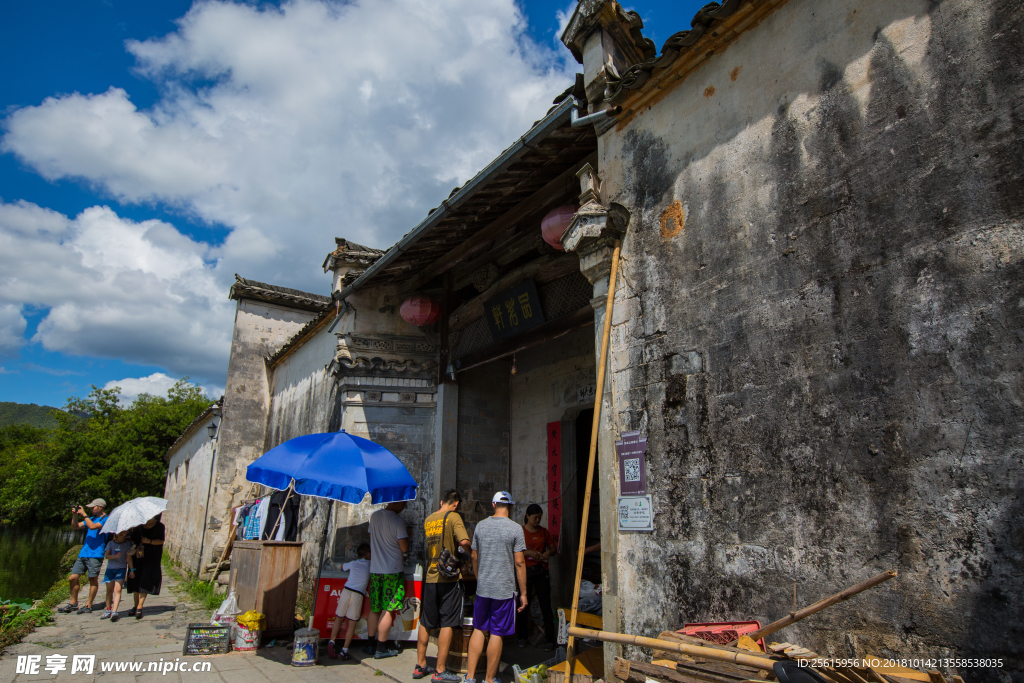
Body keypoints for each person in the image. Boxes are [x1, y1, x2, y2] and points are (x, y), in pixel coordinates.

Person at [466, 492, 527, 683]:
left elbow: (474, 557)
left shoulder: (481, 526)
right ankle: (489, 680)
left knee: (479, 629)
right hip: (504, 590)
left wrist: (479, 578)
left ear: (493, 504)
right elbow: (519, 563)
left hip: (484, 588)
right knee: (497, 633)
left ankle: (469, 678)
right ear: (510, 506)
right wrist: (524, 592)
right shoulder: (516, 529)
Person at [414, 489, 471, 682]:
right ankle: (440, 670)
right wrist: (469, 553)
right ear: (455, 504)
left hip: (431, 576)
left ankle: (420, 665)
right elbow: (463, 541)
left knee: (426, 621)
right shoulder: (454, 516)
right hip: (449, 577)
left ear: (441, 502)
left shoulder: (429, 519)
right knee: (448, 622)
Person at [366, 501, 409, 659]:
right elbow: (404, 547)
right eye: (404, 504)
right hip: (392, 571)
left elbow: (371, 538)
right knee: (388, 609)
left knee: (374, 608)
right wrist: (407, 538)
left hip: (375, 570)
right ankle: (381, 648)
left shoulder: (375, 516)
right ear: (397, 503)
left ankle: (370, 644)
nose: (404, 507)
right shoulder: (397, 520)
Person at [516, 504, 557, 650]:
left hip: (541, 570)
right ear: (527, 516)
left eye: (540, 517)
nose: (538, 520)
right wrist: (529, 553)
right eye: (535, 517)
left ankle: (550, 639)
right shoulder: (520, 531)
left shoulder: (544, 532)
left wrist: (547, 554)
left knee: (545, 604)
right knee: (523, 604)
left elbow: (553, 549)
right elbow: (515, 552)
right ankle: (521, 637)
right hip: (525, 571)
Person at [58, 499, 109, 614]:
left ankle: (88, 605)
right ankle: (73, 602)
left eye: (93, 507)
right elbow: (75, 526)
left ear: (100, 507)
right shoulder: (90, 519)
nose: (91, 509)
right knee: (73, 578)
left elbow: (92, 527)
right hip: (84, 553)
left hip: (96, 554)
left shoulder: (106, 519)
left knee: (92, 579)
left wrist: (84, 514)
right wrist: (75, 515)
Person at [327, 543, 371, 661]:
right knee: (352, 624)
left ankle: (331, 642)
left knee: (339, 617)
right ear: (368, 554)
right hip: (357, 594)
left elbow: (341, 567)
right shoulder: (370, 565)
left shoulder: (354, 563)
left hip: (346, 591)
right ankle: (344, 650)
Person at [125, 515, 164, 619]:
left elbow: (161, 541)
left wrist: (149, 541)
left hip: (152, 556)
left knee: (145, 580)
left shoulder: (159, 526)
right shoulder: (138, 526)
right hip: (138, 556)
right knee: (136, 581)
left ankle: (140, 606)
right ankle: (135, 605)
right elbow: (133, 540)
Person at [101, 530, 133, 621]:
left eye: (124, 532)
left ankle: (114, 611)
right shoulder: (111, 543)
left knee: (118, 589)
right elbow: (106, 556)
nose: (121, 534)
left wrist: (132, 570)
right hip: (110, 569)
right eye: (120, 532)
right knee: (109, 591)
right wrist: (115, 556)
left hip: (121, 568)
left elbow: (129, 557)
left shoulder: (127, 544)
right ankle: (108, 609)